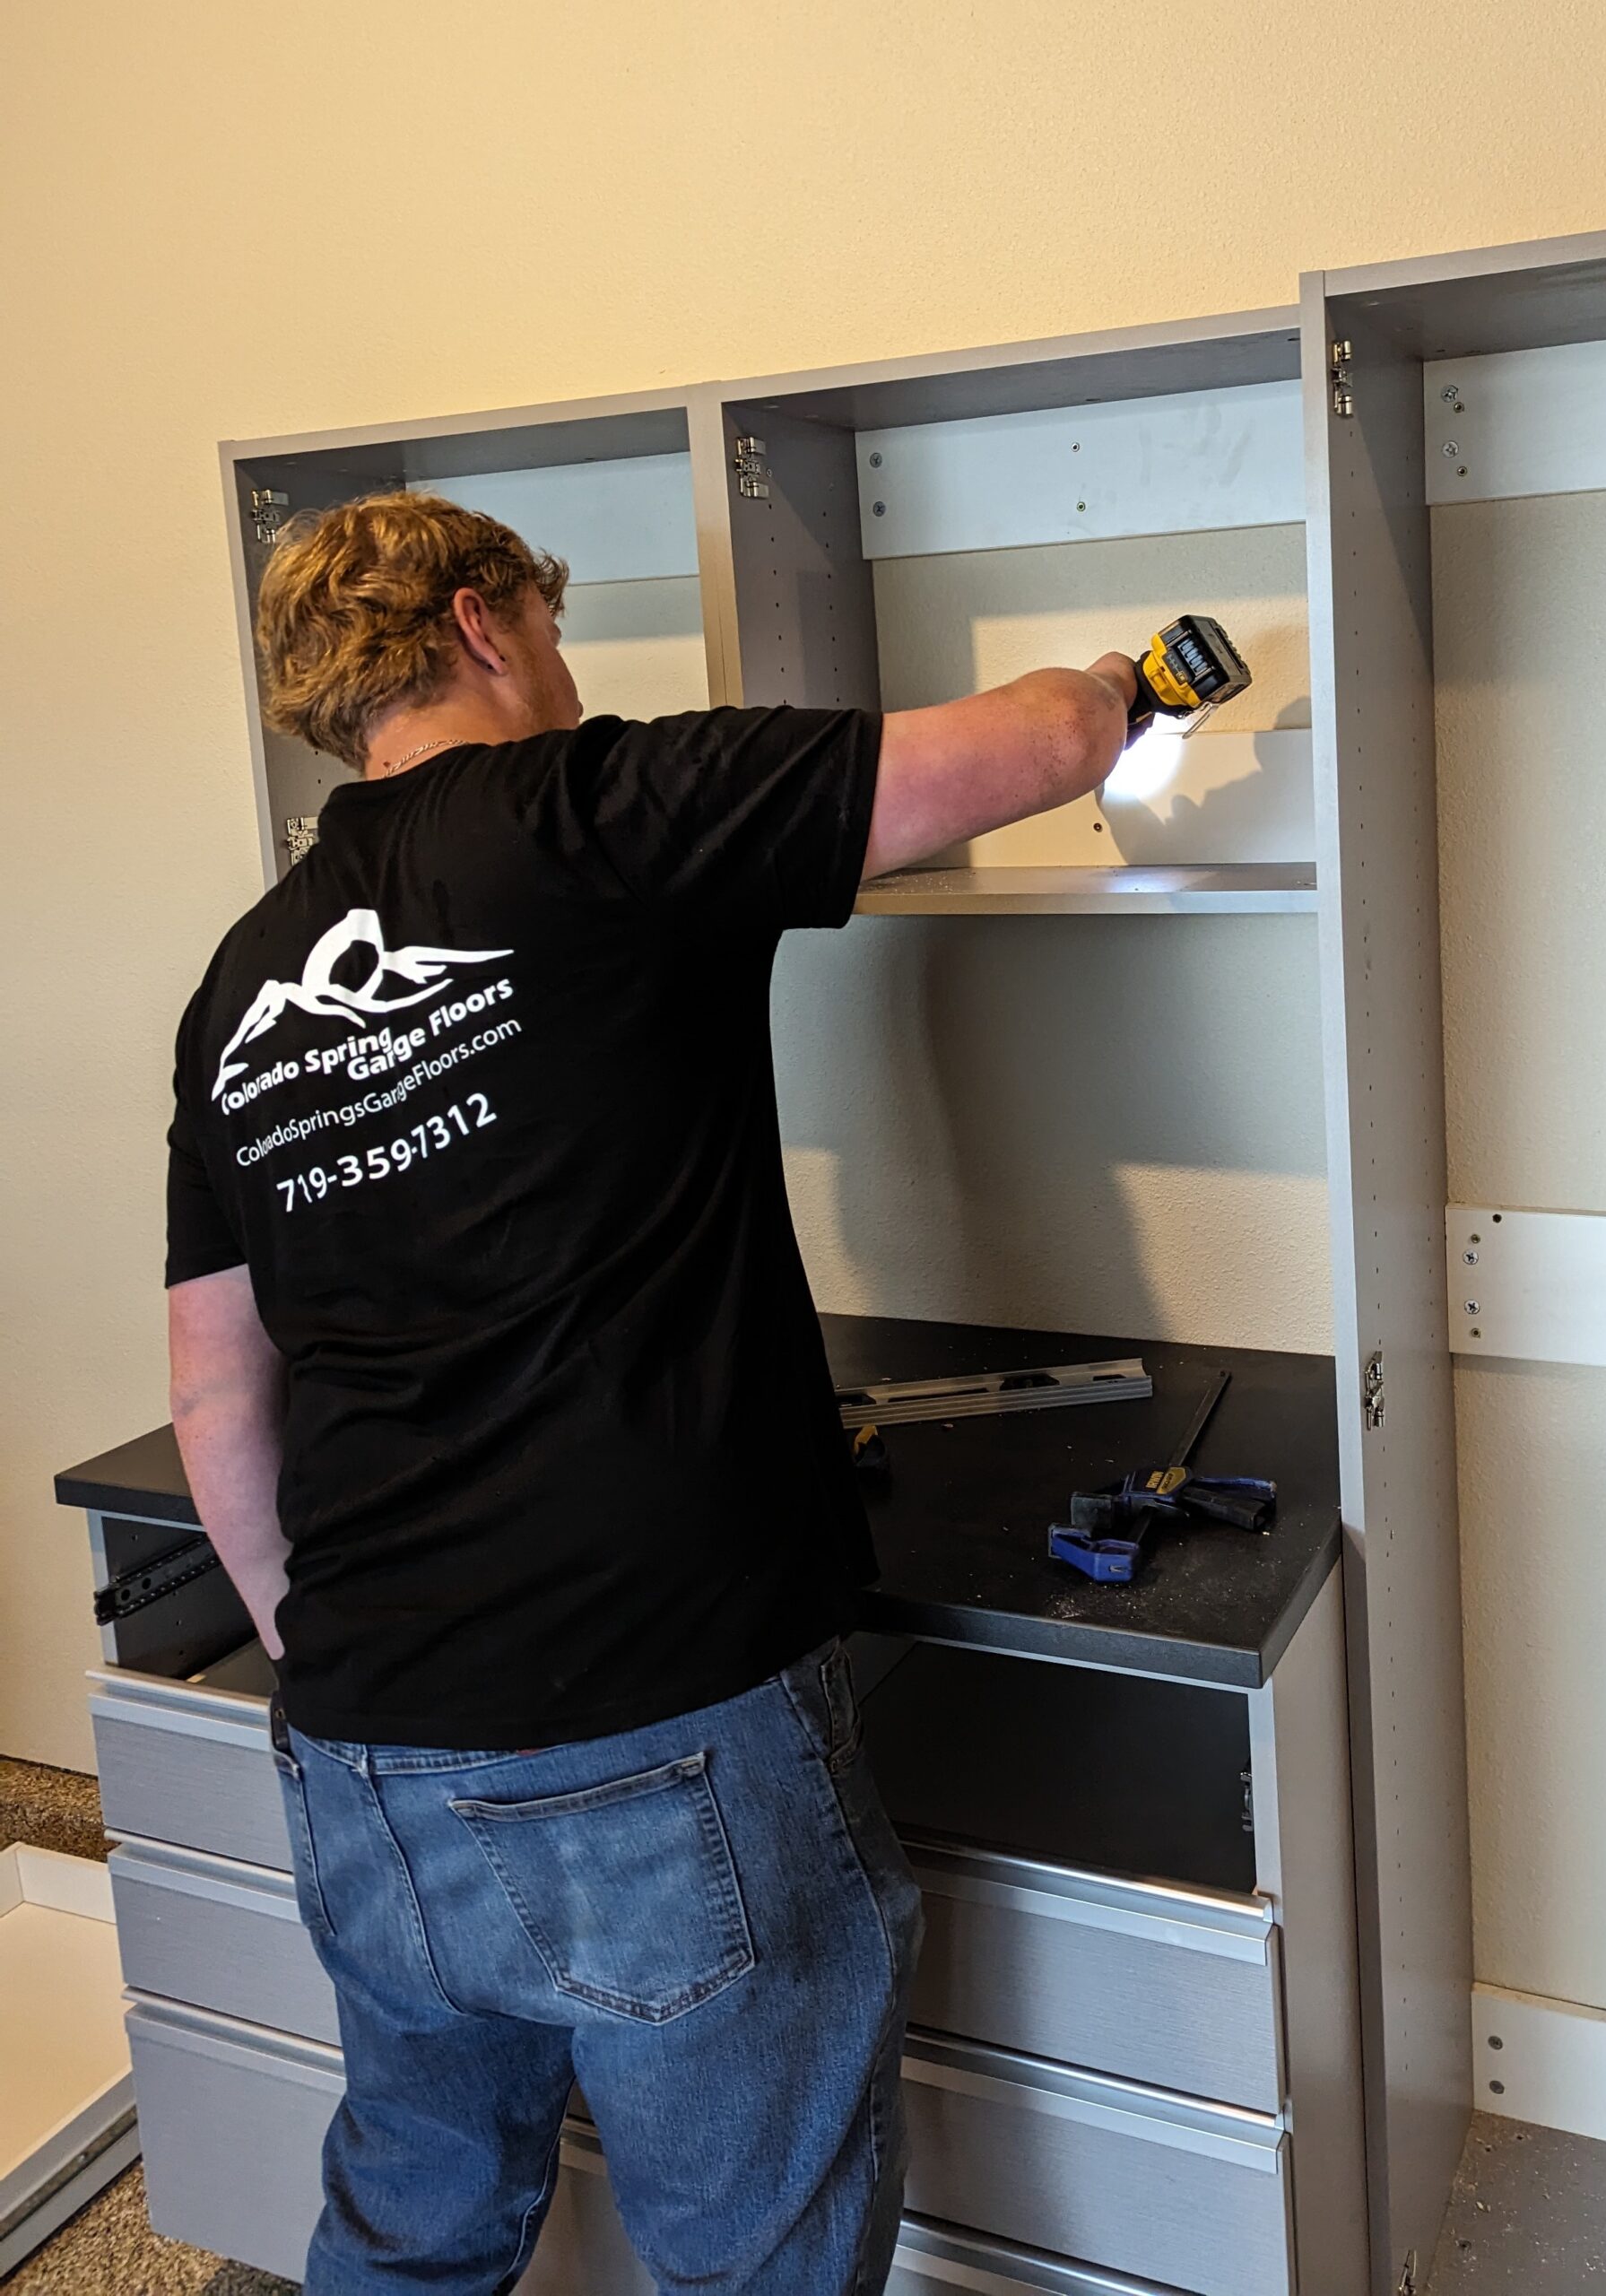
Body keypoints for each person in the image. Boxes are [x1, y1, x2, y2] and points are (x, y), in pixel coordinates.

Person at [163, 491, 1144, 2294]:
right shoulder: (599, 809)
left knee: (414, 2217)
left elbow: (219, 1396)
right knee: (748, 2247)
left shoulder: (242, 982)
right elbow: (1036, 746)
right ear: (479, 623)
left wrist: (346, 1666)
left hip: (363, 1734)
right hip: (651, 1718)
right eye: (546, 623)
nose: (561, 661)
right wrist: (1120, 680)